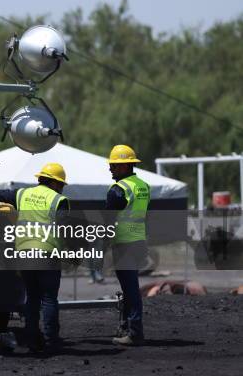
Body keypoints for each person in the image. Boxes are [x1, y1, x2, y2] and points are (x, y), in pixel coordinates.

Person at [0, 163, 70, 354]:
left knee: (31, 298)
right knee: (48, 299)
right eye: (61, 184)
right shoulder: (59, 200)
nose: (62, 187)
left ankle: (31, 341)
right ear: (55, 183)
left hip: (24, 253)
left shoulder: (21, 194)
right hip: (47, 254)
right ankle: (50, 342)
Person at [106, 144, 150, 346]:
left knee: (130, 288)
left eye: (114, 166)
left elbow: (108, 219)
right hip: (138, 241)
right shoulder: (142, 186)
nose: (111, 169)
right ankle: (129, 327)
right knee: (131, 286)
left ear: (124, 167)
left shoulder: (118, 190)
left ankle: (134, 332)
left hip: (123, 243)